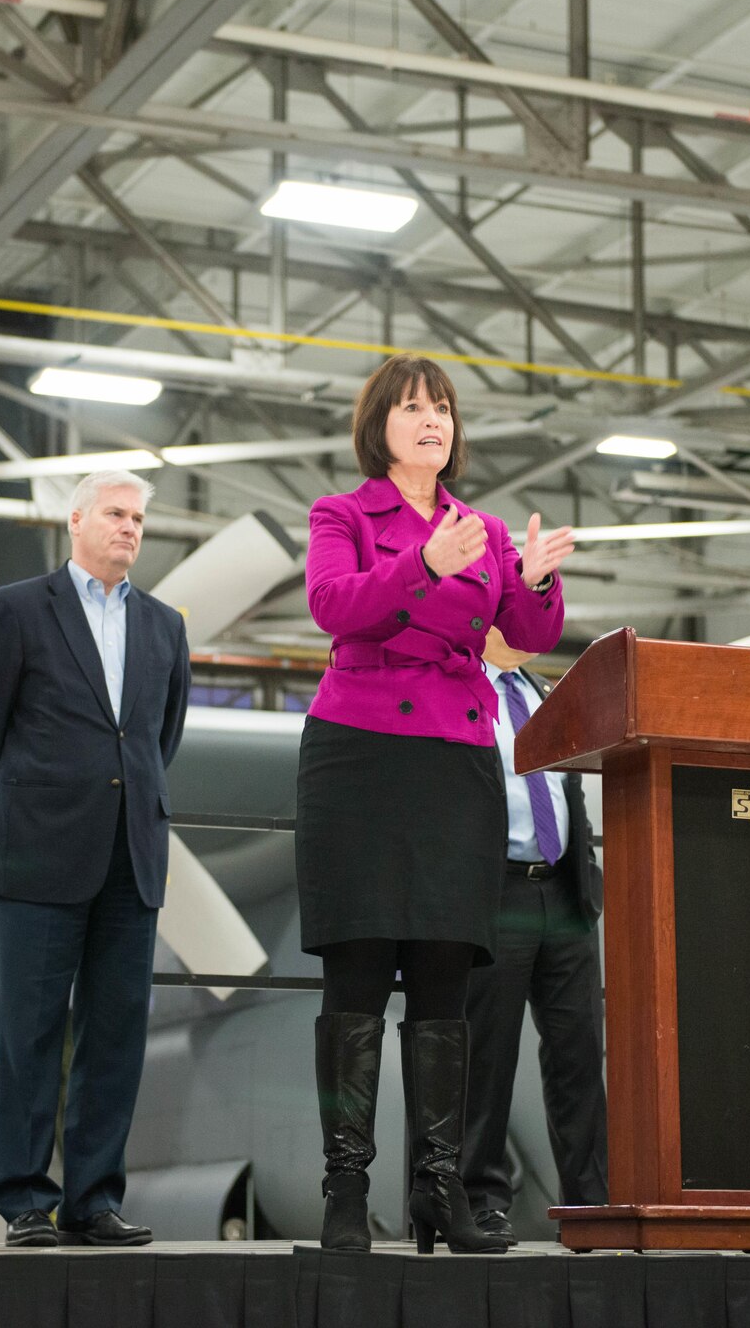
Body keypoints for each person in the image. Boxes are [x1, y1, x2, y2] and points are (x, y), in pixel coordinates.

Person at [299, 354, 575, 1255]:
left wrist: (531, 578)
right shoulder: (343, 515)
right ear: (380, 422)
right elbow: (334, 606)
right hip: (362, 756)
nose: (432, 420)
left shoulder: (483, 527)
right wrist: (419, 562)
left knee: (448, 979)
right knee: (359, 972)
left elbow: (527, 636)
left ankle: (439, 1189)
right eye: (414, 407)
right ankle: (347, 1187)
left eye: (444, 408)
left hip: (458, 761)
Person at [0, 470, 191, 1249]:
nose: (130, 527)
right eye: (116, 514)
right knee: (29, 1031)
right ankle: (27, 1199)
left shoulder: (163, 625)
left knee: (115, 1033)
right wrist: (23, 806)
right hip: (39, 854)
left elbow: (160, 739)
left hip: (132, 855)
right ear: (76, 520)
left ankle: (93, 1199)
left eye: (139, 517)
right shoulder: (19, 608)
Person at [462, 626, 607, 1246]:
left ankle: (591, 1203)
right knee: (487, 1058)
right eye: (515, 615)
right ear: (484, 623)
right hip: (496, 894)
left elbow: (567, 786)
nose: (531, 630)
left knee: (578, 1056)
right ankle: (479, 1200)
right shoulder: (463, 694)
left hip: (565, 897)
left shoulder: (547, 694)